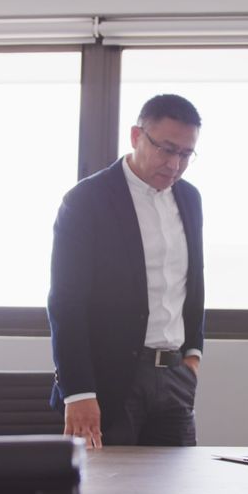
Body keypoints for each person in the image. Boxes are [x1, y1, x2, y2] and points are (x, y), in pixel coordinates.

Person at [48, 94, 205, 448]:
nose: (175, 164)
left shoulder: (190, 199)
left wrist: (194, 352)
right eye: (166, 149)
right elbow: (65, 303)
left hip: (175, 378)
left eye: (185, 154)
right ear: (136, 137)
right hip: (110, 382)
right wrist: (78, 392)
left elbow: (191, 280)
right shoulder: (86, 201)